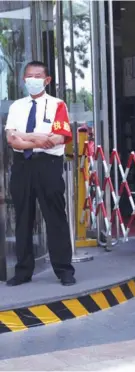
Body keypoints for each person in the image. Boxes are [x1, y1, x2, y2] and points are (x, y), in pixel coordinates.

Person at [4, 61, 76, 286]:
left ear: (47, 80)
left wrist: (26, 137)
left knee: (55, 216)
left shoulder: (57, 105)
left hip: (48, 166)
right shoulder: (17, 106)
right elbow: (11, 139)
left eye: (37, 76)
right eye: (28, 77)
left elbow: (58, 138)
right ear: (23, 79)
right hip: (22, 166)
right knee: (23, 218)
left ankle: (64, 270)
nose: (32, 80)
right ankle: (23, 270)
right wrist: (37, 138)